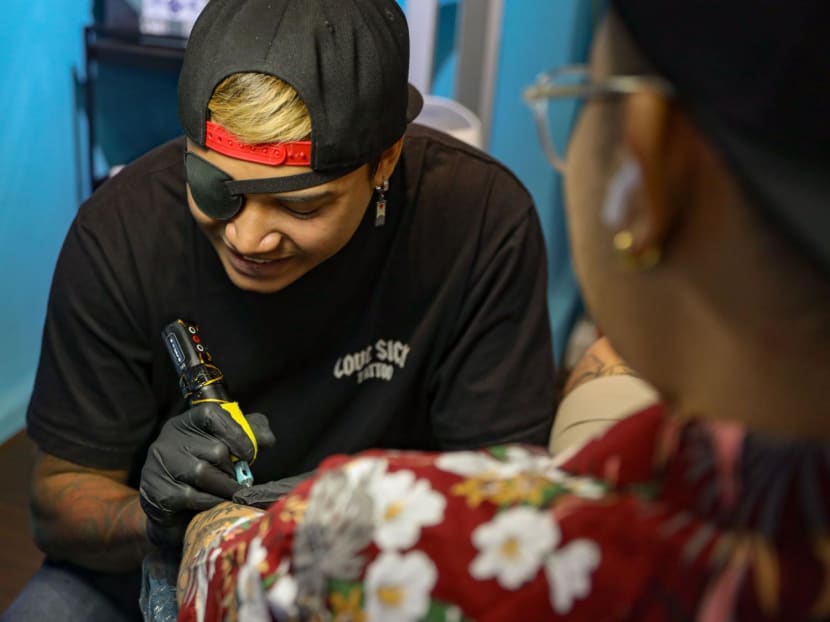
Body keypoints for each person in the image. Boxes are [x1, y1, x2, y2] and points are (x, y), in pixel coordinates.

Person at [173, 0, 830, 620]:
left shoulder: (366, 535)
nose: (249, 238)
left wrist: (215, 522)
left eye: (583, 96)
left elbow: (225, 581)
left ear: (646, 161)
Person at [3, 1, 557, 620]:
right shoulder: (124, 230)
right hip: (164, 564)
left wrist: (355, 513)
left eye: (301, 208)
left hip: (384, 566)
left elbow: (508, 499)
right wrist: (158, 517)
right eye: (218, 190)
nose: (248, 239)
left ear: (386, 160)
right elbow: (58, 505)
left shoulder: (480, 223)